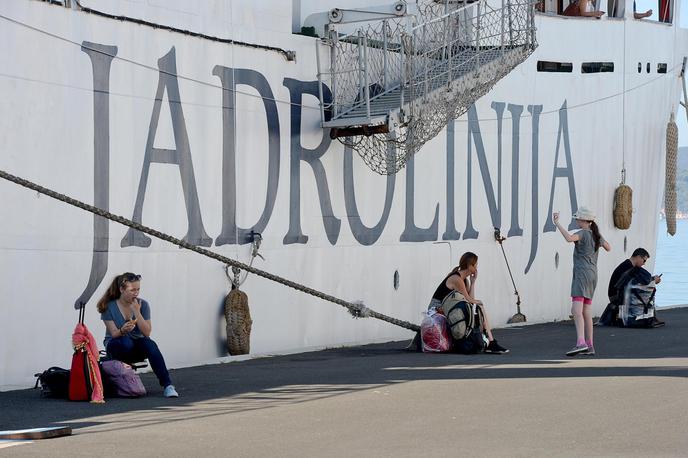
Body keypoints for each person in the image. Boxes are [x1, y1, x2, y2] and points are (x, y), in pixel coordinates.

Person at [97, 272, 179, 398]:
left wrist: (137, 312)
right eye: (132, 290)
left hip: (136, 346)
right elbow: (113, 334)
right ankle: (123, 376)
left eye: (138, 289)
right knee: (125, 342)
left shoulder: (143, 305)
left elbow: (147, 332)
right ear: (122, 290)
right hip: (116, 345)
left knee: (150, 345)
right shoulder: (109, 306)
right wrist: (122, 330)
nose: (136, 293)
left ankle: (168, 385)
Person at [553, 207, 611, 356]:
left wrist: (557, 223)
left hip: (581, 274)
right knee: (586, 311)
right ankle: (590, 345)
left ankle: (580, 342)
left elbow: (568, 238)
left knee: (576, 310)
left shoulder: (583, 233)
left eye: (578, 219)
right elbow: (608, 247)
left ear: (585, 221)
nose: (576, 220)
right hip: (593, 274)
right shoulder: (596, 235)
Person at [429, 252, 509, 354]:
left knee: (477, 306)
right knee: (479, 305)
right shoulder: (456, 279)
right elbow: (469, 300)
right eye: (475, 264)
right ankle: (491, 341)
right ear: (469, 266)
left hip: (447, 308)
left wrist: (473, 282)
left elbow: (470, 301)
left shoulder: (464, 280)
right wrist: (479, 303)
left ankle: (486, 340)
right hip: (436, 309)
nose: (477, 267)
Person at [602, 248, 664, 327]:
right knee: (647, 292)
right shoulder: (628, 267)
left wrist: (651, 280)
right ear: (638, 257)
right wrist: (653, 282)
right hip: (617, 297)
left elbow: (634, 283)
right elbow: (635, 285)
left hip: (618, 294)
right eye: (644, 260)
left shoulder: (628, 266)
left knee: (647, 291)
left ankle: (649, 316)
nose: (644, 263)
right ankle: (648, 317)